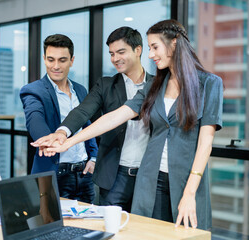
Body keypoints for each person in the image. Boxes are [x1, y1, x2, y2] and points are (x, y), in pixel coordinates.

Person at [35, 19, 223, 230]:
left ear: (174, 43)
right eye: (150, 48)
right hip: (148, 179)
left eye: (155, 47)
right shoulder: (156, 85)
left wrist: (189, 193)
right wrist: (67, 140)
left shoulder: (208, 83)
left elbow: (205, 143)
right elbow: (114, 116)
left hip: (182, 179)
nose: (151, 55)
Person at [32, 27, 153, 212]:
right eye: (112, 54)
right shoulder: (105, 85)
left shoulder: (158, 85)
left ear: (138, 50)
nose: (115, 59)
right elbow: (82, 112)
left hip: (149, 174)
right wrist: (61, 132)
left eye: (121, 52)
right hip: (115, 176)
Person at [20, 34, 98, 203]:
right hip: (54, 174)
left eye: (62, 60)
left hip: (84, 174)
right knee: (50, 226)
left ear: (72, 60)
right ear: (44, 59)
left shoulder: (80, 90)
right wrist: (48, 141)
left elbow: (86, 125)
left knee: (88, 226)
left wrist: (93, 157)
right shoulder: (34, 90)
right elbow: (35, 119)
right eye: (50, 60)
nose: (55, 66)